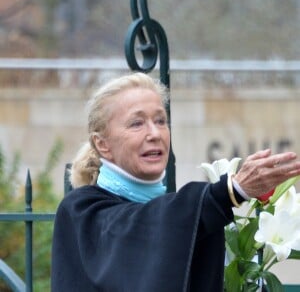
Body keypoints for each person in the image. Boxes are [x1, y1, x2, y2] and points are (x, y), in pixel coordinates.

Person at [51, 72, 300, 292]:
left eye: (160, 120)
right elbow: (134, 229)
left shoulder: (169, 213)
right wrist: (230, 191)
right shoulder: (81, 210)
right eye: (137, 123)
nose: (155, 133)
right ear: (102, 144)